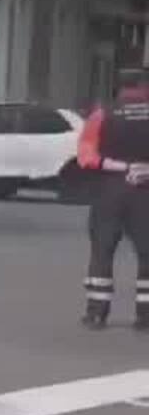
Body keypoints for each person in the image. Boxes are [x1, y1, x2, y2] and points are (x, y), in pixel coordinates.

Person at [76, 67, 149, 328]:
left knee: (102, 251)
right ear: (144, 86)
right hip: (145, 192)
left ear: (119, 87)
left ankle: (97, 313)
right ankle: (145, 316)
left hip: (109, 190)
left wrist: (122, 167)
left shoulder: (102, 115)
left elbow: (86, 157)